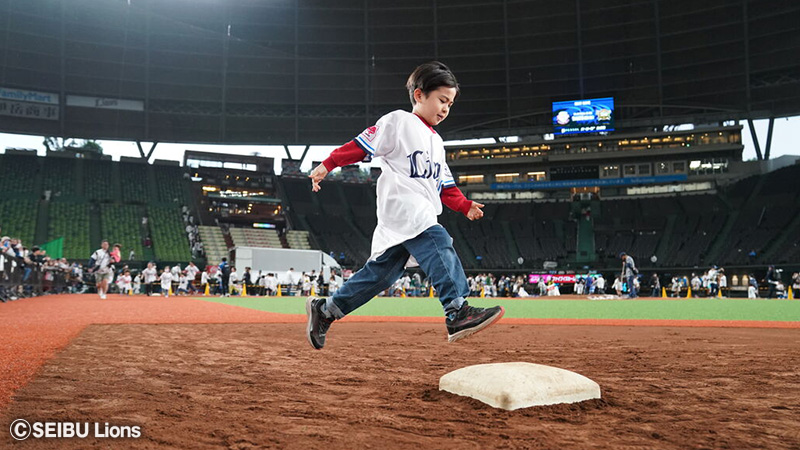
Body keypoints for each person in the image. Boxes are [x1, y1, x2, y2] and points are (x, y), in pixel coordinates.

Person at [305, 61, 504, 349]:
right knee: (437, 239)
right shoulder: (399, 121)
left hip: (416, 210)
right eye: (442, 100)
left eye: (450, 103)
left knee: (384, 274)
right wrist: (329, 163)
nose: (446, 108)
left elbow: (444, 186)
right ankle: (457, 310)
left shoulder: (437, 141)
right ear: (420, 95)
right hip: (403, 205)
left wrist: (464, 205)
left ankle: (326, 310)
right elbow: (363, 145)